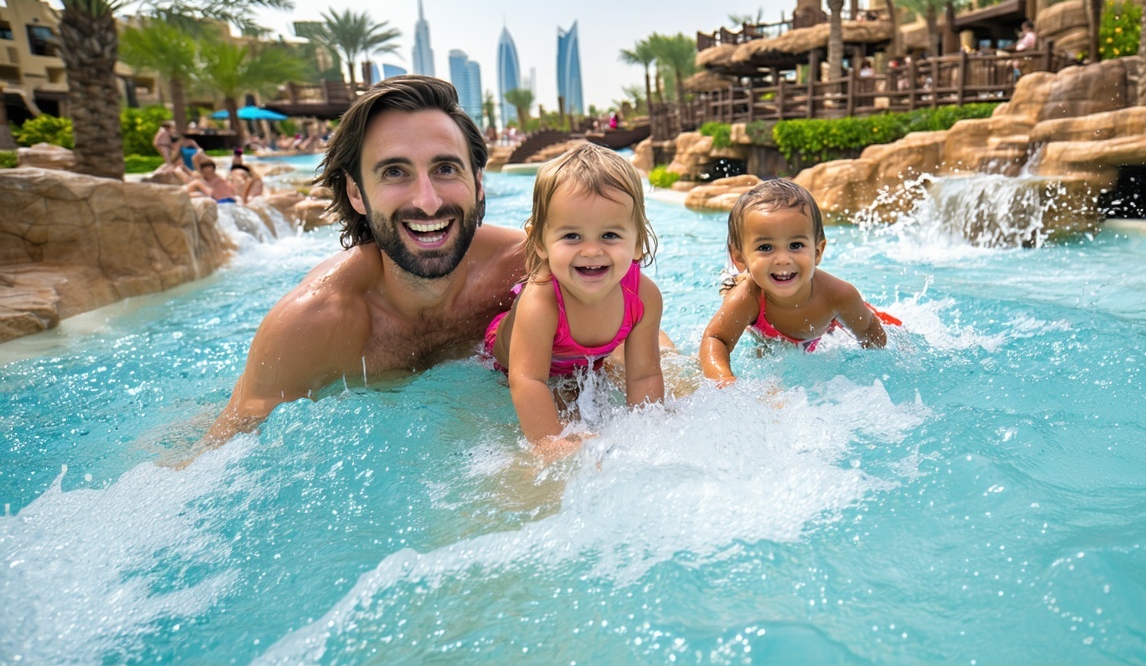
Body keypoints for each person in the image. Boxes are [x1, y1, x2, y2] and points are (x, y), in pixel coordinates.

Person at [201, 76, 526, 446]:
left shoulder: (530, 270)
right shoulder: (311, 326)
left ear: (478, 183)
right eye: (394, 172)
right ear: (356, 192)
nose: (428, 200)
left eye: (446, 169)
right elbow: (213, 461)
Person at [483, 143, 665, 443]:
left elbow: (644, 376)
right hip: (509, 361)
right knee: (563, 411)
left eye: (610, 235)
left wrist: (651, 432)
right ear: (540, 242)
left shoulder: (644, 297)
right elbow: (527, 380)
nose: (592, 250)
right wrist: (552, 445)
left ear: (637, 242)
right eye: (571, 236)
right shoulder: (541, 301)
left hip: (580, 360)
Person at [699, 179, 901, 384]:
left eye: (795, 245)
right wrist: (724, 380)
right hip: (768, 334)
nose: (783, 259)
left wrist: (882, 369)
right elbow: (716, 339)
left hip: (830, 330)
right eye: (766, 247)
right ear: (740, 257)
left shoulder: (838, 295)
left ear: (818, 251)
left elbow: (870, 335)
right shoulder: (747, 298)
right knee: (767, 361)